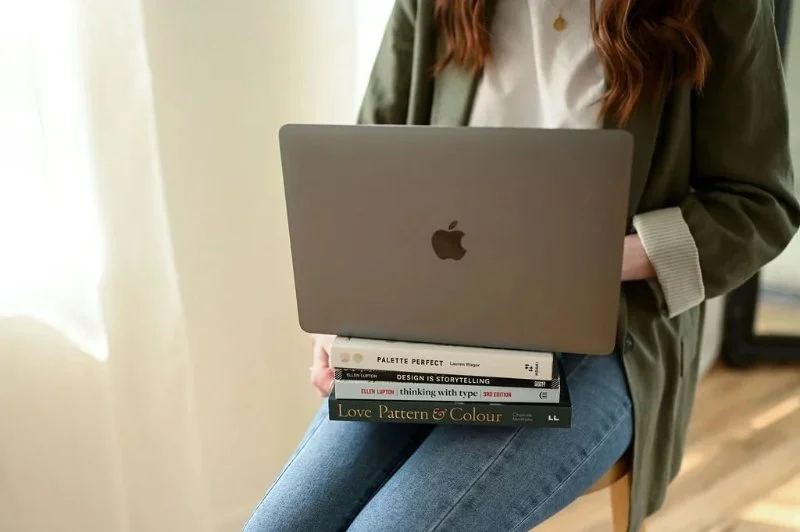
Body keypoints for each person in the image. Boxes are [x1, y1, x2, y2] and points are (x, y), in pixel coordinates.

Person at [245, 1, 800, 531]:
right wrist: (339, 310)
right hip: (432, 322)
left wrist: (591, 259)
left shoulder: (714, 6)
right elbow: (367, 170)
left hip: (607, 332)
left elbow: (758, 207)